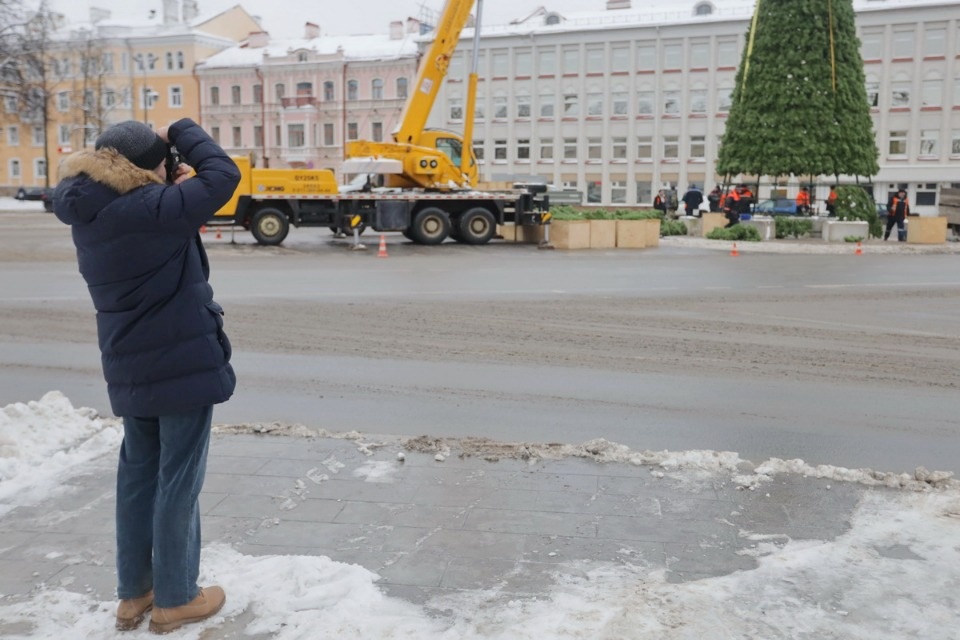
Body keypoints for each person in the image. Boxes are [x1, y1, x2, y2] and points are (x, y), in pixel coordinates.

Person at [53, 119, 241, 634]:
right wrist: (182, 128)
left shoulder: (89, 210)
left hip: (129, 364)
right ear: (145, 167)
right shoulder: (152, 208)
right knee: (178, 481)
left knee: (137, 477)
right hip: (180, 364)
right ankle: (177, 598)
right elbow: (223, 174)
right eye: (164, 161)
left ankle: (134, 595)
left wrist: (169, 175)